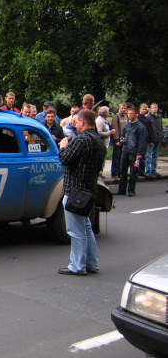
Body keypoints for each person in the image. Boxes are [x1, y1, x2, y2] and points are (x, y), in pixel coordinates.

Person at [58, 109, 106, 276]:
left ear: (83, 122)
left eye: (76, 122)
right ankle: (92, 262)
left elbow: (65, 159)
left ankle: (77, 265)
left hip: (75, 192)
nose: (74, 124)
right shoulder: (99, 142)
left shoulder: (82, 140)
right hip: (89, 190)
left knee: (76, 231)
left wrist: (63, 147)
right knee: (86, 228)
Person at [115, 103, 147, 197]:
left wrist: (140, 153)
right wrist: (122, 140)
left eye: (131, 113)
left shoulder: (140, 127)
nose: (129, 115)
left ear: (136, 114)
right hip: (125, 150)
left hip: (134, 152)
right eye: (128, 113)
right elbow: (123, 135)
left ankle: (131, 190)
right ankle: (121, 189)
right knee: (122, 171)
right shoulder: (127, 125)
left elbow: (142, 141)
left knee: (133, 172)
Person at [110, 102, 128, 182]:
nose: (123, 110)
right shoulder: (116, 117)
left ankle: (121, 172)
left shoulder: (126, 116)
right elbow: (115, 129)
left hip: (124, 139)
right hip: (118, 139)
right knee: (116, 157)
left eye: (125, 108)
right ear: (119, 108)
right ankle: (115, 173)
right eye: (122, 108)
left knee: (122, 157)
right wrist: (116, 140)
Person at [145, 103, 164, 179]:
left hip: (158, 138)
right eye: (153, 108)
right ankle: (148, 170)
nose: (155, 109)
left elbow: (161, 127)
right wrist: (149, 139)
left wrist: (161, 136)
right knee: (149, 155)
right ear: (150, 109)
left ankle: (153, 169)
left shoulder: (159, 117)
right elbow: (148, 129)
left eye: (156, 108)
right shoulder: (148, 117)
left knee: (155, 156)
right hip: (151, 139)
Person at [96, 106, 115, 173]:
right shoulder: (99, 121)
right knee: (101, 159)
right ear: (104, 113)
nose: (108, 113)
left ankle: (101, 171)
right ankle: (99, 172)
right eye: (108, 112)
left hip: (105, 143)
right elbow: (100, 132)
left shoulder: (104, 120)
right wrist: (109, 133)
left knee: (103, 158)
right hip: (101, 143)